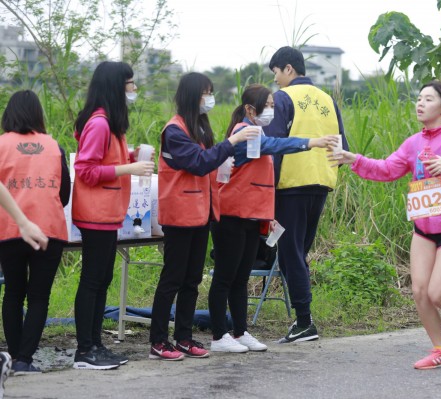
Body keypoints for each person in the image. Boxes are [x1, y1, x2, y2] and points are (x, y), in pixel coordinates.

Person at [331, 81, 441, 369]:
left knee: (438, 293)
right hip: (424, 227)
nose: (420, 104)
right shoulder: (414, 143)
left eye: (428, 99)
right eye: (418, 99)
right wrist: (354, 159)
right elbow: (387, 169)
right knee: (419, 291)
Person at [209, 84, 339, 352]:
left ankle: (240, 331)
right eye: (267, 105)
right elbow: (274, 144)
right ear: (249, 109)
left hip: (251, 216)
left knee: (241, 277)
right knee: (225, 277)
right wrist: (309, 142)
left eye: (272, 104)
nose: (271, 109)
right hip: (231, 215)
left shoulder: (255, 131)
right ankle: (219, 335)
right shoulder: (245, 133)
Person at [149, 72, 258, 361]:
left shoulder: (199, 127)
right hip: (179, 214)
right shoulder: (174, 130)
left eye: (210, 92)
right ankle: (158, 341)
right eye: (205, 93)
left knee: (192, 280)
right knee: (172, 278)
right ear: (191, 95)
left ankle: (183, 337)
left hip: (201, 213)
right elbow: (198, 163)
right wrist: (231, 142)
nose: (209, 98)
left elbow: (209, 164)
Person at [72, 61, 155, 370]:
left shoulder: (110, 123)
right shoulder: (99, 123)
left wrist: (131, 157)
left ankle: (96, 344)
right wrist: (129, 168)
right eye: (129, 84)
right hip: (95, 213)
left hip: (108, 213)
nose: (133, 89)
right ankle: (85, 350)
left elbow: (103, 161)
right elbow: (85, 169)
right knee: (93, 280)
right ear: (116, 87)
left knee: (102, 279)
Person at [262, 46, 348, 343]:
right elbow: (341, 146)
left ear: (288, 69)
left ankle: (304, 322)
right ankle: (303, 319)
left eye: (276, 73)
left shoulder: (284, 98)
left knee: (290, 253)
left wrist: (265, 193)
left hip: (290, 185)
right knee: (297, 253)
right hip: (321, 183)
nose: (275, 80)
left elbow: (272, 146)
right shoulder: (327, 99)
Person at [0, 90, 70, 374]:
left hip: (8, 230)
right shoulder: (54, 146)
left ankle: (13, 357)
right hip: (48, 228)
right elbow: (64, 194)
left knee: (13, 293)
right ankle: (24, 360)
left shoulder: (1, 144)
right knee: (39, 296)